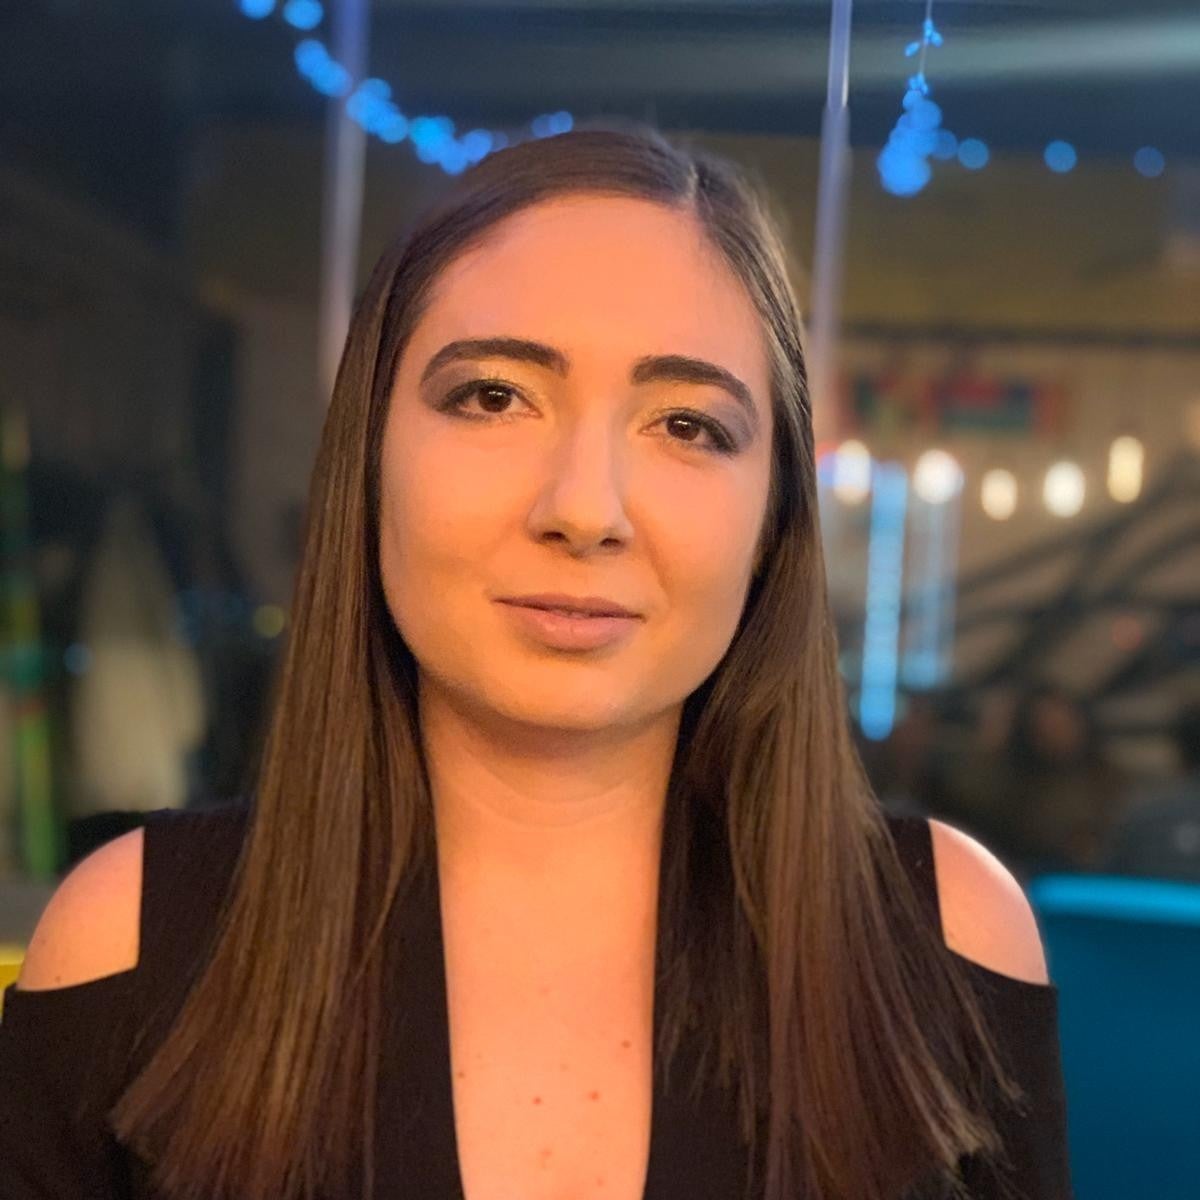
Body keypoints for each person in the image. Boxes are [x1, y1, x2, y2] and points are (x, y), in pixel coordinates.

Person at [0, 121, 1073, 1200]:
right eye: (494, 396)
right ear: (368, 458)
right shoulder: (128, 943)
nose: (585, 508)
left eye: (687, 425)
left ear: (773, 518)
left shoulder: (946, 940)